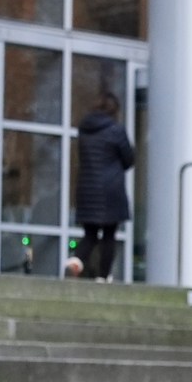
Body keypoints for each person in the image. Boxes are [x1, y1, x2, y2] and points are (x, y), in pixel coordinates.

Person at [72, 93, 133, 281]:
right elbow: (129, 159)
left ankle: (76, 259)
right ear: (114, 110)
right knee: (109, 234)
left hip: (87, 189)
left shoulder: (84, 131)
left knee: (90, 234)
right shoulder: (116, 130)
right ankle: (103, 276)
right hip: (110, 190)